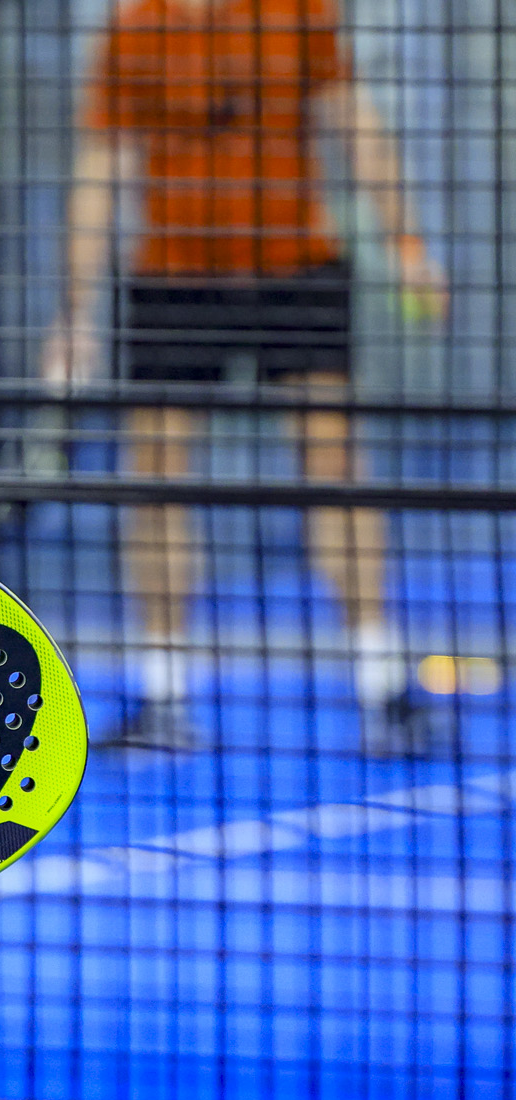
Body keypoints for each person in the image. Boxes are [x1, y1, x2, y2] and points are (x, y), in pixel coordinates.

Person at [42, 0, 449, 752]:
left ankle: (382, 681)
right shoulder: (135, 28)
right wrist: (74, 312)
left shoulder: (296, 11)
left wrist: (408, 241)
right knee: (156, 475)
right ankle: (163, 694)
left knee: (335, 468)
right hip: (174, 276)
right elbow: (101, 166)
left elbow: (351, 120)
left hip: (295, 267)